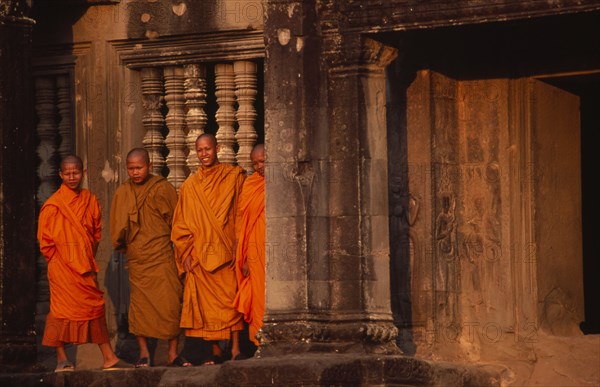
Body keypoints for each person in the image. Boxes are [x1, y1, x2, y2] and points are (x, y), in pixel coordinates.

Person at [37, 155, 130, 372]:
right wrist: (63, 261)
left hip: (85, 266)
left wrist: (83, 255)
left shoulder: (90, 200)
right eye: (67, 173)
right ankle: (62, 358)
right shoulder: (53, 206)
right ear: (60, 175)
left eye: (76, 173)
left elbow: (95, 233)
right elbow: (46, 243)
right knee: (59, 312)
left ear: (83, 173)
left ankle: (109, 358)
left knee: (95, 307)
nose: (72, 177)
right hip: (62, 269)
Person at [171, 133, 246, 363]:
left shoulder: (234, 177)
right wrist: (185, 252)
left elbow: (242, 213)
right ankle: (214, 350)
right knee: (206, 306)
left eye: (208, 149)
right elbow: (181, 223)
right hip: (200, 254)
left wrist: (238, 245)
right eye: (200, 150)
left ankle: (235, 348)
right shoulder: (189, 186)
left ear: (218, 148)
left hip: (226, 250)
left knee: (230, 300)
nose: (204, 154)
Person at [109, 148, 183, 367]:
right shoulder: (123, 192)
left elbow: (177, 222)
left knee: (170, 304)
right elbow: (117, 228)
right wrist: (126, 246)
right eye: (130, 168)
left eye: (139, 168)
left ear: (149, 166)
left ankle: (172, 354)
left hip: (161, 255)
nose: (135, 172)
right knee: (139, 309)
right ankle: (144, 353)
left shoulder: (162, 188)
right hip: (138, 259)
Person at [233, 144, 266, 347]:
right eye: (255, 163)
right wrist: (243, 256)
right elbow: (242, 224)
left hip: (275, 248)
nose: (259, 166)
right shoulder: (250, 184)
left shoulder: (282, 183)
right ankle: (260, 343)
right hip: (254, 249)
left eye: (263, 161)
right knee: (256, 295)